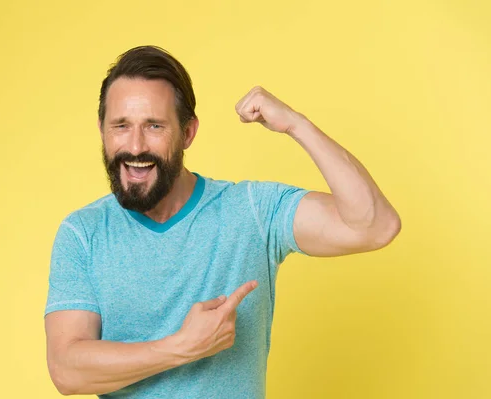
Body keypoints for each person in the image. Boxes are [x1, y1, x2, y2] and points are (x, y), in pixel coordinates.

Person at [44, 45, 401, 398]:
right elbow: (66, 371)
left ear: (187, 133)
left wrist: (296, 124)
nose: (135, 146)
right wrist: (181, 347)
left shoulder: (250, 212)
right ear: (102, 130)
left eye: (154, 125)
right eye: (120, 126)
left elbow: (374, 226)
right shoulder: (83, 232)